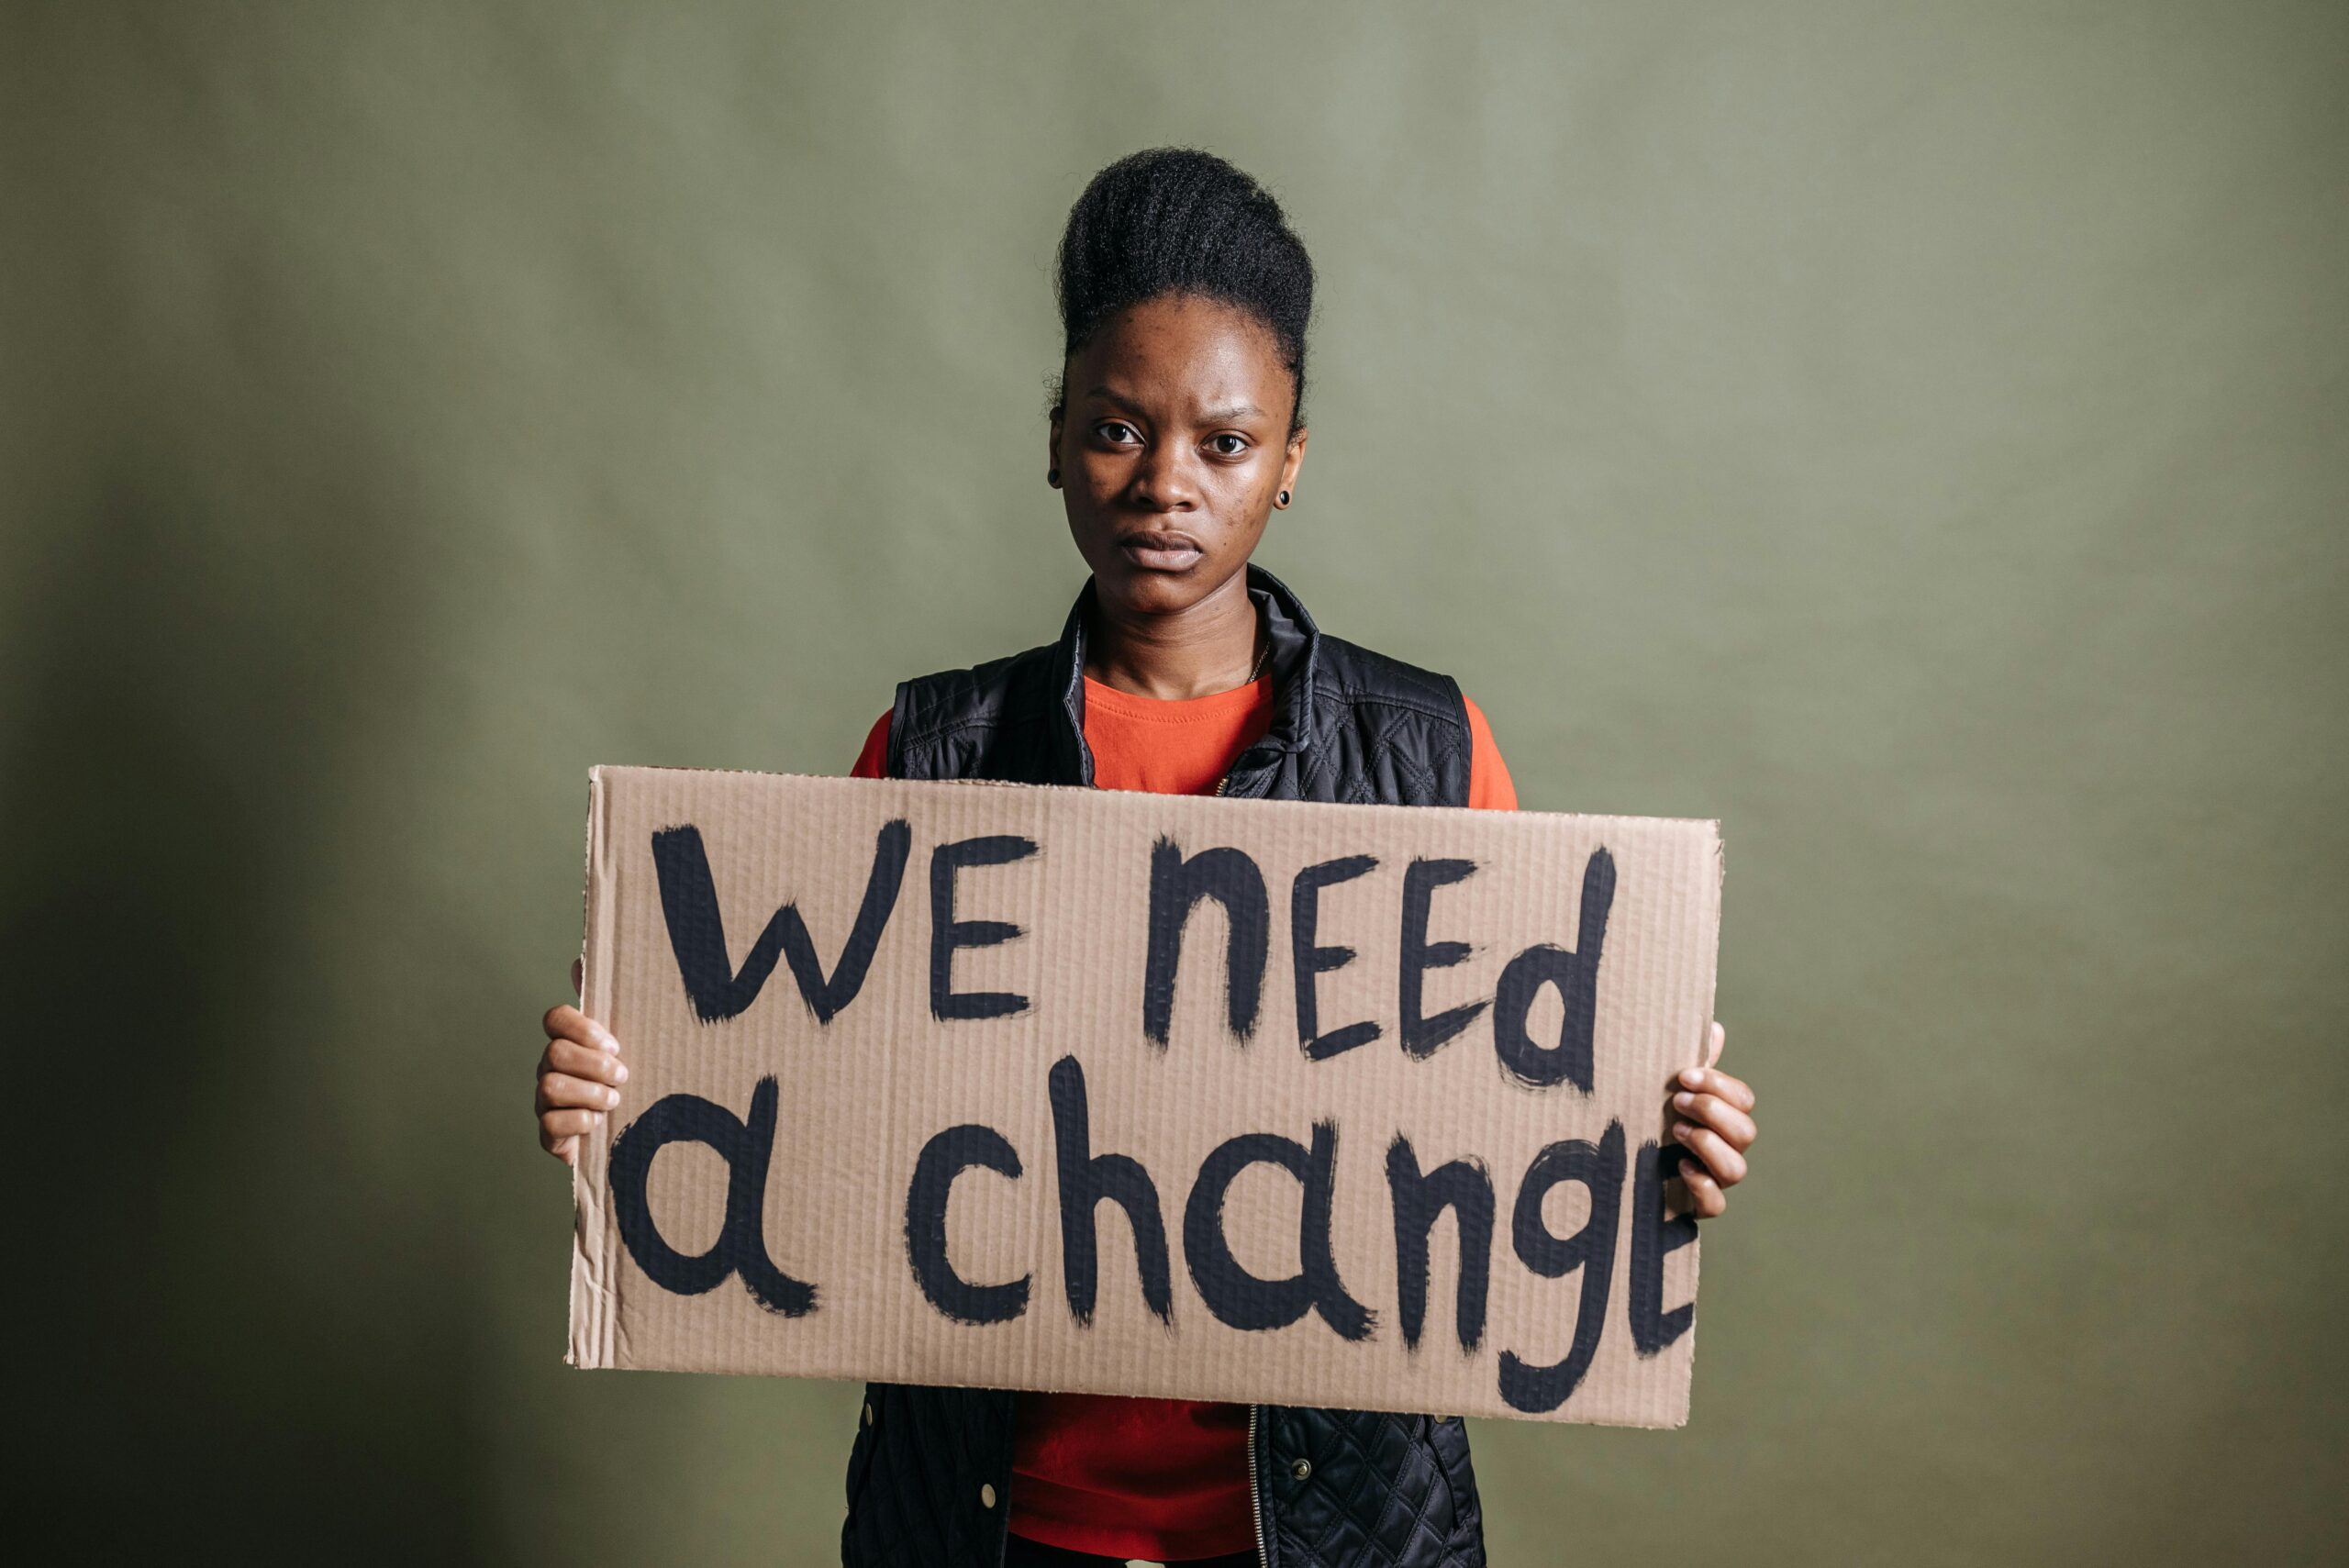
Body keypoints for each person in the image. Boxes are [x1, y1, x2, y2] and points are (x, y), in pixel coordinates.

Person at [534, 148, 1759, 1568]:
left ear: (1290, 460)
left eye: (1224, 444)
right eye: (1118, 430)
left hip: (1326, 1535)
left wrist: (1654, 1155)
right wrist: (627, 1087)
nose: (1165, 483)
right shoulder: (935, 753)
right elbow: (809, 1101)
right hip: (996, 1529)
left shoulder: (1425, 753)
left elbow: (1514, 1125)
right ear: (1055, 436)